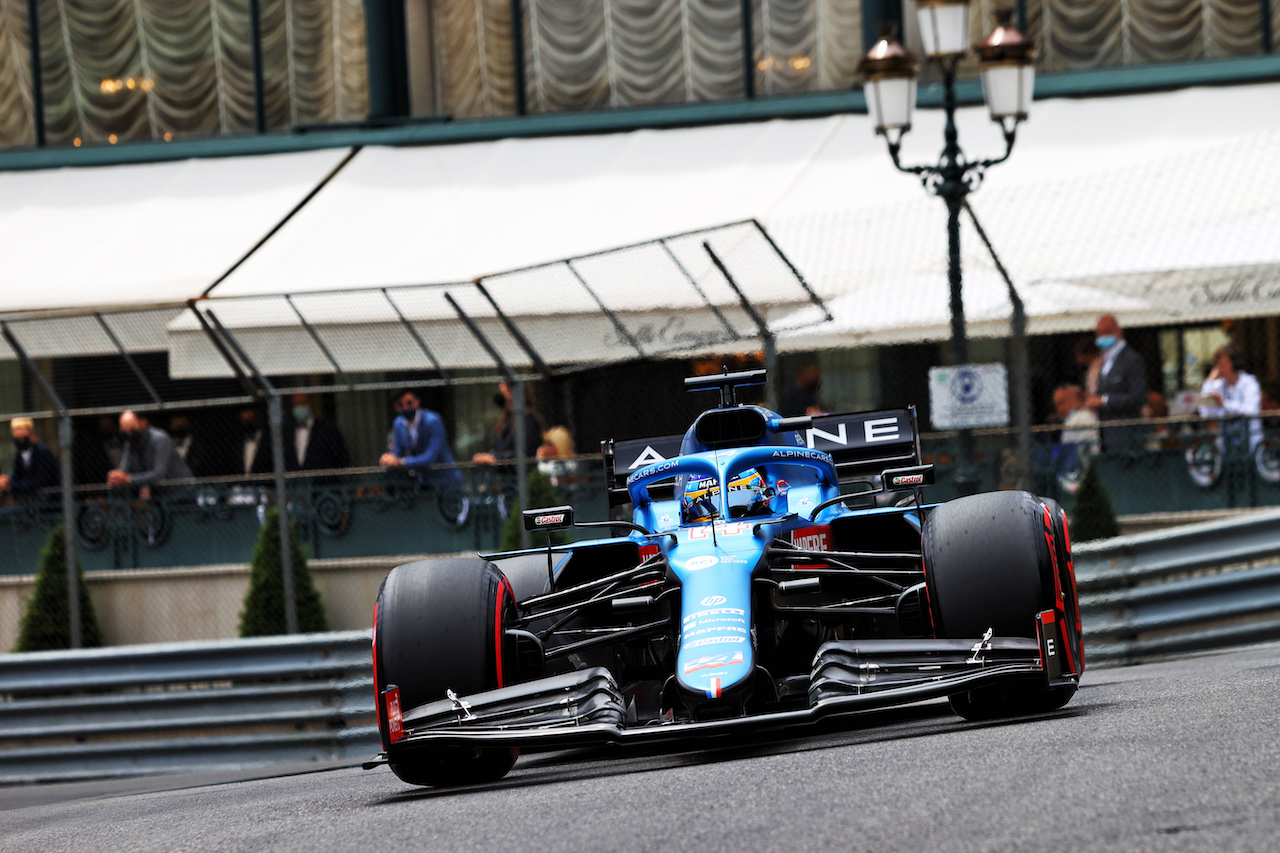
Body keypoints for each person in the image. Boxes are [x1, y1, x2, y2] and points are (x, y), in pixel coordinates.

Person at [1084, 315, 1148, 449]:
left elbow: (1138, 397)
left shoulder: (1131, 360)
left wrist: (1104, 400)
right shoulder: (1104, 361)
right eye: (1099, 333)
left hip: (1128, 437)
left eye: (1107, 331)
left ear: (1118, 331)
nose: (1103, 337)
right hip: (1107, 436)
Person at [108, 411, 192, 498]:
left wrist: (128, 479)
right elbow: (123, 470)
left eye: (131, 430)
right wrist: (116, 477)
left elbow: (159, 473)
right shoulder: (130, 443)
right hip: (158, 495)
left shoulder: (159, 439)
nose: (129, 434)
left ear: (143, 423)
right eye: (125, 431)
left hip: (181, 491)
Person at [1198, 344, 1262, 451]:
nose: (1219, 369)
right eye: (1217, 365)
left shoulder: (1249, 383)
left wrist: (1224, 405)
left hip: (1249, 442)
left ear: (1235, 365)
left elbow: (1251, 410)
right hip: (1227, 444)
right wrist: (1209, 381)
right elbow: (1204, 411)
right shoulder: (1218, 385)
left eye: (1223, 365)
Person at [473, 382, 543, 464]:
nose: (500, 396)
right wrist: (488, 455)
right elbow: (500, 446)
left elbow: (525, 451)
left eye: (502, 392)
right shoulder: (508, 419)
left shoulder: (527, 419)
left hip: (520, 472)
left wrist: (496, 458)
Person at [0, 418, 59, 501]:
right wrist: (5, 484)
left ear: (31, 433)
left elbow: (39, 482)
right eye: (16, 433)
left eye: (22, 434)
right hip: (30, 502)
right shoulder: (19, 454)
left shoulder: (42, 451)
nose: (19, 436)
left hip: (49, 500)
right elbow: (16, 477)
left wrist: (11, 485)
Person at [288, 394, 350, 472]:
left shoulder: (327, 429)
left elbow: (341, 457)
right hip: (294, 481)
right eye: (295, 404)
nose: (299, 407)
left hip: (322, 481)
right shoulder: (288, 432)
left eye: (302, 402)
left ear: (310, 404)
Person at [168, 414, 220, 478]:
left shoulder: (200, 448)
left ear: (188, 427)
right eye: (176, 427)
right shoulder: (167, 446)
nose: (178, 430)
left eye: (181, 427)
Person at [1054, 384, 1099, 455]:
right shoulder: (1071, 419)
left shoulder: (1083, 417)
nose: (1059, 408)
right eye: (1056, 404)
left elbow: (1070, 450)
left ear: (1074, 400)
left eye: (1062, 402)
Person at [234, 407, 274, 477]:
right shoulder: (238, 445)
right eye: (245, 421)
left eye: (251, 420)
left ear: (258, 419)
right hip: (242, 486)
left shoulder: (269, 441)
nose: (248, 425)